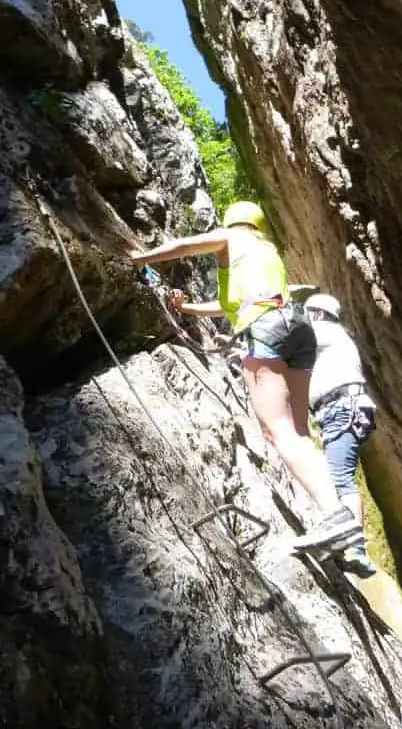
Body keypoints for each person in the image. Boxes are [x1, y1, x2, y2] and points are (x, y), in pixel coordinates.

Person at [128, 201, 363, 553]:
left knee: (278, 430)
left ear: (233, 223)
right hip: (297, 327)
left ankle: (336, 516)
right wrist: (186, 308)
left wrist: (142, 258)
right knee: (299, 432)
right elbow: (229, 306)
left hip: (266, 329)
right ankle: (338, 520)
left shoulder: (233, 237)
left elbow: (185, 245)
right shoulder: (263, 252)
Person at [303, 293, 378, 577]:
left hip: (341, 408)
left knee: (340, 476)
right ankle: (348, 542)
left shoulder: (325, 331)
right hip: (343, 409)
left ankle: (354, 546)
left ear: (318, 314)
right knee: (339, 474)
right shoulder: (335, 339)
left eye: (307, 312)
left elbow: (286, 339)